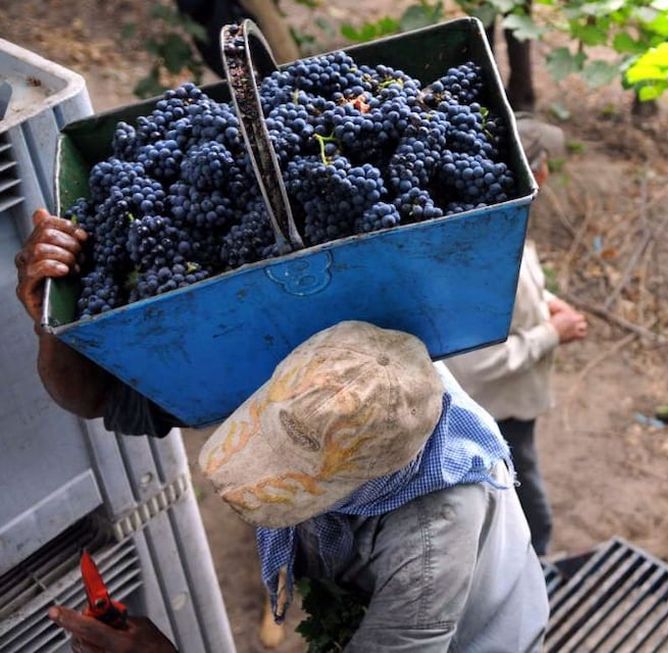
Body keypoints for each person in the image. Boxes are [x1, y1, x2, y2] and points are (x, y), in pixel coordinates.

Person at [17, 216, 548, 651]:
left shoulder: (429, 548)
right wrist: (50, 315)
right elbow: (100, 399)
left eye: (294, 476)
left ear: (369, 481)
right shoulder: (325, 364)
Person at [446, 116, 587, 557]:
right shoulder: (475, 261)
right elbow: (476, 363)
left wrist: (546, 301)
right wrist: (550, 333)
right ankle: (535, 569)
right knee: (521, 504)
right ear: (537, 174)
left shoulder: (502, 228)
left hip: (512, 403)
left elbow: (520, 289)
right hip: (495, 410)